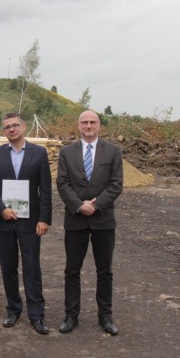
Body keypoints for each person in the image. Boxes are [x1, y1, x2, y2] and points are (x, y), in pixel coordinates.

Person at [56, 110, 123, 336]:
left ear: (99, 125)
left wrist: (96, 205)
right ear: (78, 126)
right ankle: (71, 315)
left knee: (105, 271)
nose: (88, 126)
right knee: (72, 270)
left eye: (92, 122)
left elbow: (116, 184)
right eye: (84, 122)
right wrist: (79, 205)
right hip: (75, 219)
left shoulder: (112, 151)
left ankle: (105, 316)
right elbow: (62, 183)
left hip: (103, 220)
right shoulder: (67, 152)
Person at [0, 112, 52, 335]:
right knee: (8, 267)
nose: (11, 129)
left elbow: (45, 189)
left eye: (15, 125)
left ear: (24, 127)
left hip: (30, 221)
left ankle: (36, 315)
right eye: (7, 127)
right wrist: (0, 209)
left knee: (32, 267)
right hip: (5, 220)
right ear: (3, 131)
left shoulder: (39, 153)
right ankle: (13, 309)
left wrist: (44, 218)